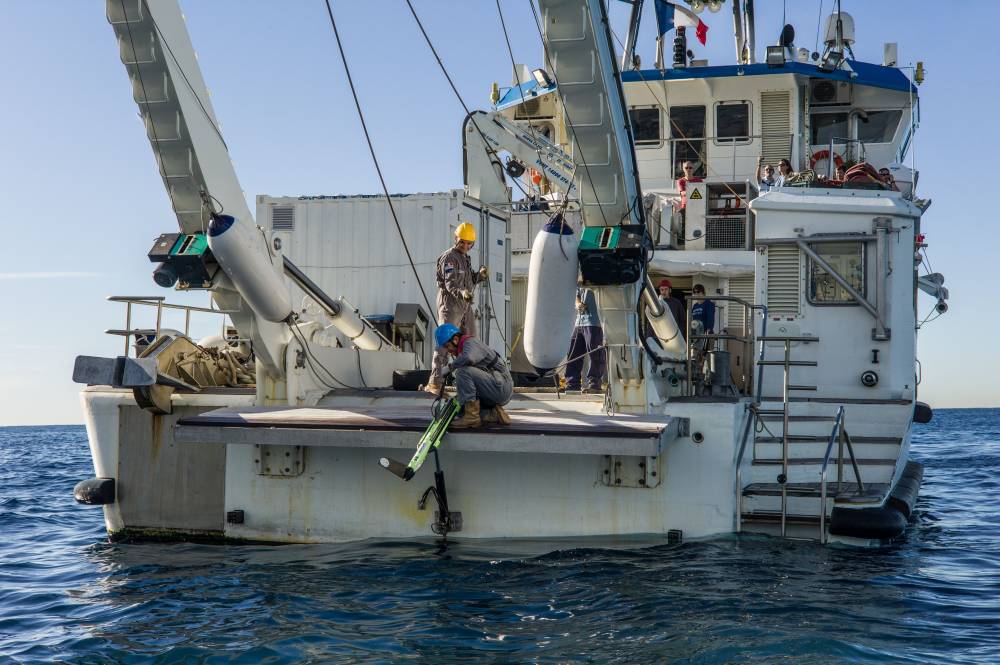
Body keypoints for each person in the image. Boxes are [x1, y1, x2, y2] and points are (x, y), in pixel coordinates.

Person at [425, 223, 489, 394]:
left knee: (471, 342)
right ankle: (435, 382)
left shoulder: (465, 258)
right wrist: (463, 293)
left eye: (469, 244)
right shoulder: (450, 258)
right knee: (445, 343)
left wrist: (479, 276)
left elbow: (468, 282)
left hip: (464, 305)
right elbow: (450, 284)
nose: (466, 246)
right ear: (456, 239)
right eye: (463, 242)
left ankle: (470, 381)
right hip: (450, 305)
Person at [436, 323, 513, 429]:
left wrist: (449, 368)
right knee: (460, 407)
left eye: (447, 346)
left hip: (502, 386)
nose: (448, 350)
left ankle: (472, 419)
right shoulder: (464, 348)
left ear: (455, 339)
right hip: (494, 385)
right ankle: (491, 413)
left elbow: (468, 358)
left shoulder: (470, 343)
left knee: (463, 372)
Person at [565, 286, 606, 393]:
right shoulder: (581, 279)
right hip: (579, 322)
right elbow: (576, 294)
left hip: (595, 322)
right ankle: (572, 383)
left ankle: (594, 383)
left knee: (595, 354)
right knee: (573, 354)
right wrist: (578, 303)